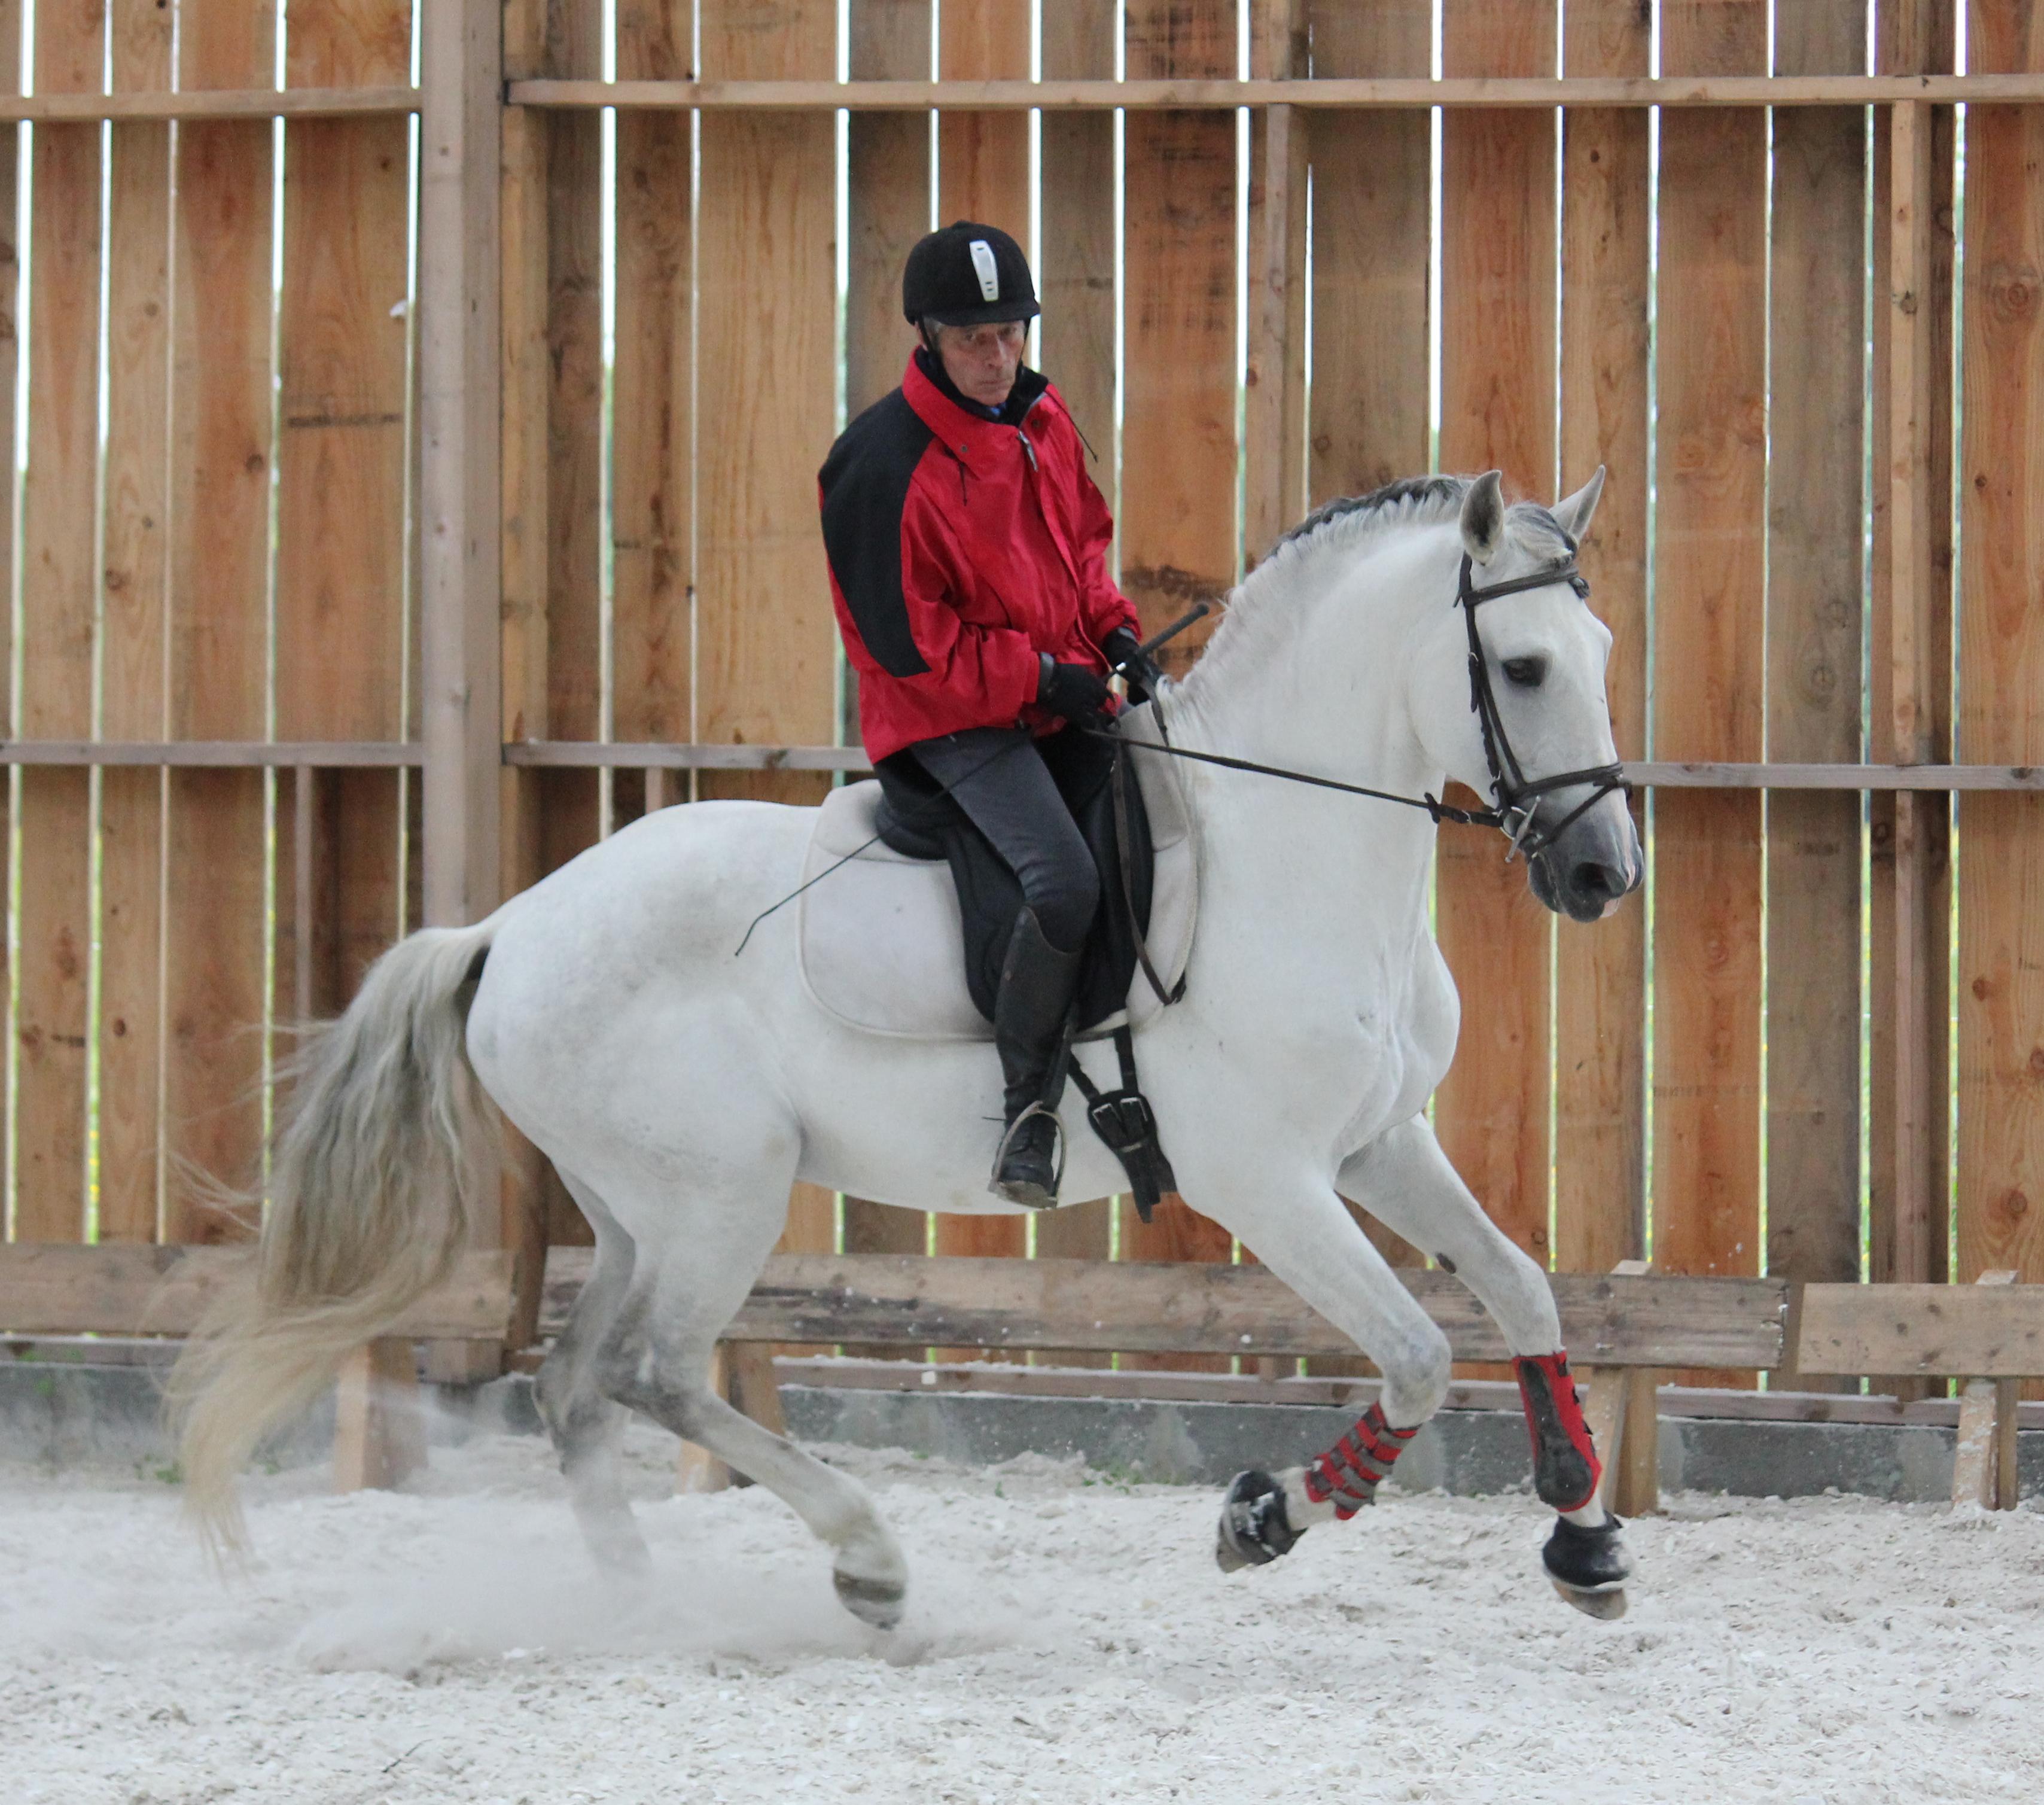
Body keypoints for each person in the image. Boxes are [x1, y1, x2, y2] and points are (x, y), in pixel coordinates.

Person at [818, 221, 1166, 1208]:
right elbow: (908, 650)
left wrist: (1116, 634)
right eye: (973, 337)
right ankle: (1028, 1106)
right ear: (925, 335)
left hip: (1053, 687)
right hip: (949, 723)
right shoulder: (878, 465)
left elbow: (1080, 551)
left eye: (1010, 331)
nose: (996, 354)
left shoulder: (1041, 415)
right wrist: (1043, 680)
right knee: (1061, 882)